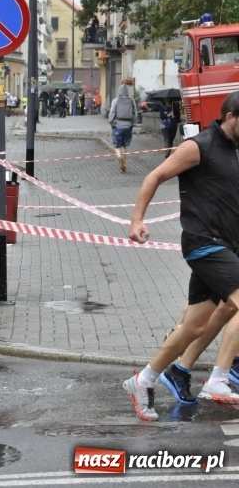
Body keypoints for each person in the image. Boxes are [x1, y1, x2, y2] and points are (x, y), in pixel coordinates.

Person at [124, 91, 239, 420]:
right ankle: (218, 380)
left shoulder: (232, 151)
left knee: (194, 327)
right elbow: (155, 176)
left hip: (225, 245)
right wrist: (137, 220)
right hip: (206, 244)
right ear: (230, 116)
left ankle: (143, 380)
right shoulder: (198, 146)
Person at [108, 84, 138, 173]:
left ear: (119, 92)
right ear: (127, 92)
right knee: (124, 145)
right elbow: (135, 113)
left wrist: (111, 121)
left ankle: (119, 158)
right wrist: (133, 123)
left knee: (117, 145)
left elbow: (112, 112)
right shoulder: (131, 101)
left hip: (118, 125)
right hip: (128, 126)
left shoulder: (115, 101)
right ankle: (123, 162)